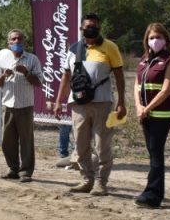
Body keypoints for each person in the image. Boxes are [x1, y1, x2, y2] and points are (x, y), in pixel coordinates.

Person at [51, 13, 126, 196]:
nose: (91, 29)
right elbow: (65, 76)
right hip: (78, 104)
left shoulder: (110, 47)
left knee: (102, 144)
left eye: (94, 26)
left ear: (99, 28)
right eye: (87, 27)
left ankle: (101, 183)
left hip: (103, 103)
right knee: (81, 143)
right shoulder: (74, 49)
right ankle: (87, 179)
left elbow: (119, 75)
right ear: (81, 29)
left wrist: (122, 102)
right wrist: (58, 101)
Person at [133, 23, 170, 208]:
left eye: (159, 37)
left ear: (166, 40)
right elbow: (137, 86)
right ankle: (152, 190)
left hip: (162, 113)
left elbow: (166, 90)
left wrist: (147, 108)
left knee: (156, 151)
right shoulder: (144, 60)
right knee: (152, 152)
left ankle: (153, 195)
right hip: (145, 114)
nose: (155, 41)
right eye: (151, 38)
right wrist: (138, 107)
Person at [0, 29, 43, 182]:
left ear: (24, 42)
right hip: (8, 105)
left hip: (25, 106)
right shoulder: (3, 59)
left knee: (26, 140)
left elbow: (39, 83)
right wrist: (4, 75)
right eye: (13, 39)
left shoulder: (32, 59)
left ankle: (26, 172)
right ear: (8, 43)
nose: (16, 42)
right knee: (8, 140)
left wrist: (27, 73)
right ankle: (12, 169)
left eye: (19, 39)